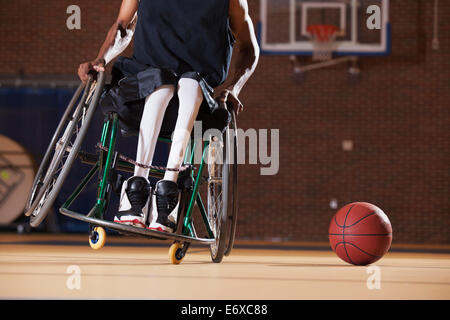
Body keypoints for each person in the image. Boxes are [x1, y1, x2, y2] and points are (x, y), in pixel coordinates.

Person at [78, 0, 259, 233]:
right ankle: (136, 188)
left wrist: (234, 86)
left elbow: (249, 46)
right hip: (141, 89)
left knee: (189, 83)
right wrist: (101, 58)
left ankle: (169, 190)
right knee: (161, 82)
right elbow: (123, 27)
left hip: (198, 96)